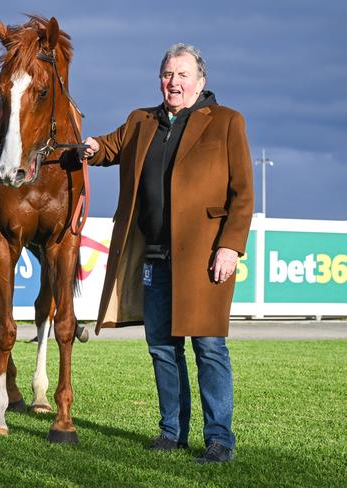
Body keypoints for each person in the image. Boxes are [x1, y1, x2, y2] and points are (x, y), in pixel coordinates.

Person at [83, 43, 253, 464]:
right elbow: (109, 148)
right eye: (167, 74)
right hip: (155, 257)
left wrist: (230, 246)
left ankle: (219, 440)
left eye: (181, 74)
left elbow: (243, 193)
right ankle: (171, 432)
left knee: (209, 347)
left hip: (206, 257)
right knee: (162, 347)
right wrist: (90, 148)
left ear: (200, 81)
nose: (173, 81)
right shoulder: (141, 120)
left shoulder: (227, 121)